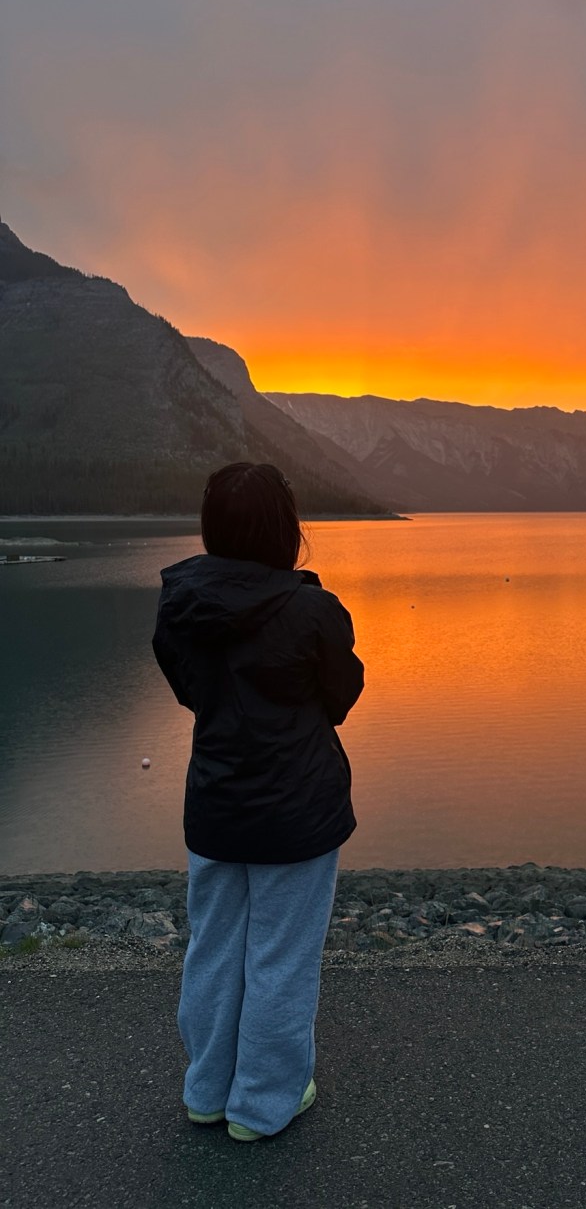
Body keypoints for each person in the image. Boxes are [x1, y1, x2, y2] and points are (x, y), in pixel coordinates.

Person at [152, 461, 364, 1141]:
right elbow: (342, 695)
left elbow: (189, 688)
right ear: (286, 529)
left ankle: (207, 1091)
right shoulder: (312, 610)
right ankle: (264, 1103)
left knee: (213, 948)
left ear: (214, 527)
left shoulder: (180, 601)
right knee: (281, 954)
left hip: (214, 807)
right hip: (298, 813)